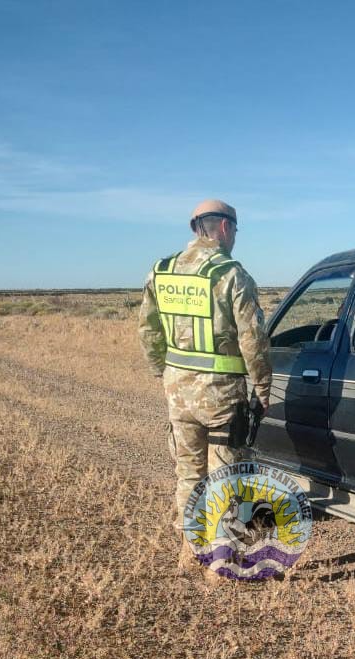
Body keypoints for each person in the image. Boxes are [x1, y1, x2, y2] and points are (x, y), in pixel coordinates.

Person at [138, 198, 272, 572]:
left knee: (188, 473)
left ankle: (188, 547)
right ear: (226, 228)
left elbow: (147, 331)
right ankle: (220, 559)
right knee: (224, 477)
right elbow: (253, 339)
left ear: (196, 227)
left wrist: (162, 373)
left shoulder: (161, 271)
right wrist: (263, 387)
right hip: (221, 396)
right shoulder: (231, 274)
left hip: (177, 393)